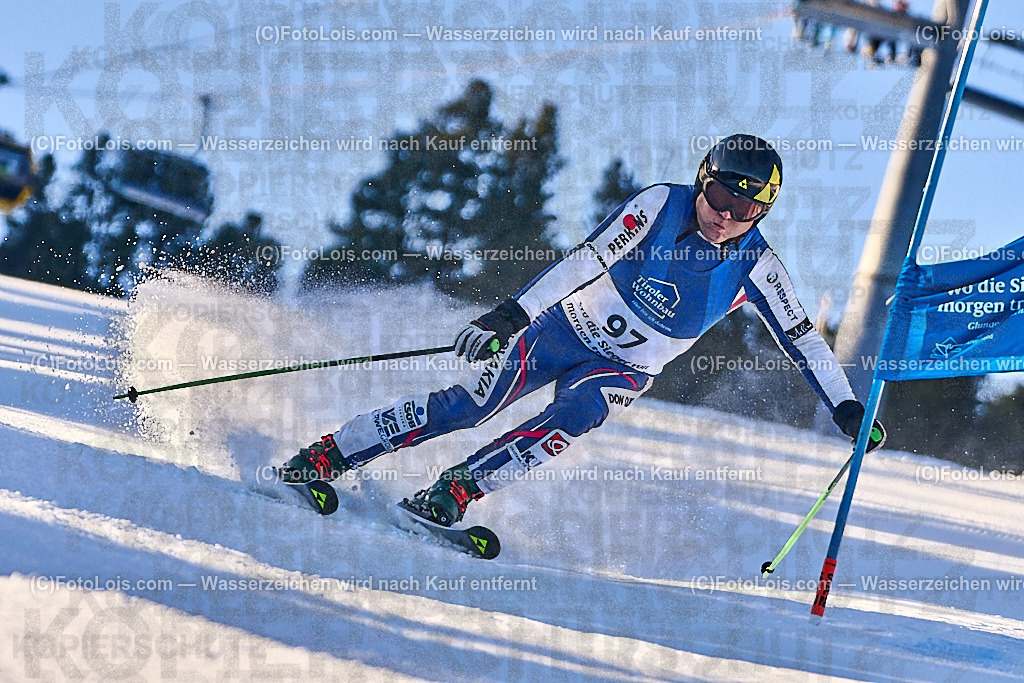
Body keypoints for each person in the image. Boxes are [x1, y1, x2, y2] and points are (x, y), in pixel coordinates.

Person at [279, 134, 887, 527]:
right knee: (470, 405)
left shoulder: (759, 265)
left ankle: (457, 492)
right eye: (720, 198)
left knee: (571, 420)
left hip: (622, 369)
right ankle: (327, 455)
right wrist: (511, 315)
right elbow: (586, 260)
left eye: (747, 210)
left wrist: (847, 409)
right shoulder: (658, 206)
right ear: (702, 181)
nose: (727, 217)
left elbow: (803, 340)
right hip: (562, 329)